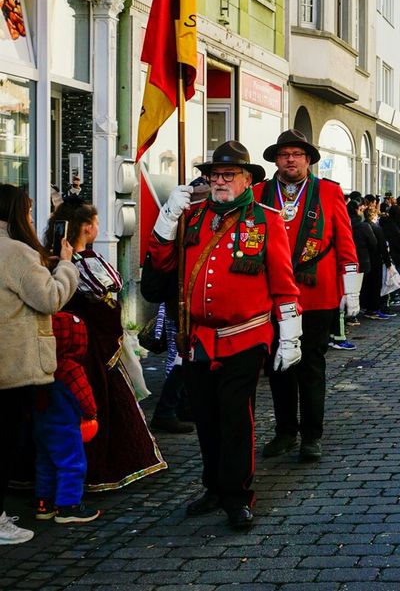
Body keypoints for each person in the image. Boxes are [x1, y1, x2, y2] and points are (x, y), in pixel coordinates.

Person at [148, 141, 302, 529]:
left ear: (247, 179)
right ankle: (214, 487)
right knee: (206, 417)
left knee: (235, 417)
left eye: (228, 175)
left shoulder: (266, 220)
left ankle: (237, 495)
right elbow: (161, 261)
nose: (219, 181)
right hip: (197, 338)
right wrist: (167, 216)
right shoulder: (192, 217)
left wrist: (290, 337)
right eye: (214, 175)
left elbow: (284, 284)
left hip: (246, 336)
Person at [45, 197, 166, 489]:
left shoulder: (53, 260)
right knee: (96, 406)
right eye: (96, 223)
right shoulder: (84, 262)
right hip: (92, 348)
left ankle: (50, 482)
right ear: (87, 227)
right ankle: (91, 474)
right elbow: (109, 289)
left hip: (64, 346)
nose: (98, 228)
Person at [254, 130, 360, 463]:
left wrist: (351, 288)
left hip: (317, 295)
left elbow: (345, 241)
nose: (289, 159)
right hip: (271, 296)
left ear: (308, 159)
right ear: (275, 160)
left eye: (296, 154)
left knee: (311, 367)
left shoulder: (328, 193)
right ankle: (285, 431)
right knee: (279, 366)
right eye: (283, 154)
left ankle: (311, 436)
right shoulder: (258, 193)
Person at [0, 184, 78, 544]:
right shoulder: (14, 252)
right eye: (29, 211)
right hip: (13, 364)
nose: (32, 218)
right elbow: (49, 298)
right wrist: (65, 265)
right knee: (6, 441)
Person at [33, 312, 100, 523]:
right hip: (65, 427)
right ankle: (68, 506)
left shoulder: (39, 366)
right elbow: (84, 396)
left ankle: (44, 504)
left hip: (41, 426)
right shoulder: (70, 368)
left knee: (45, 462)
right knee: (72, 463)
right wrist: (91, 413)